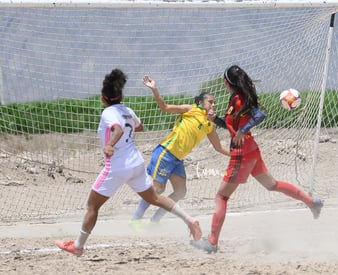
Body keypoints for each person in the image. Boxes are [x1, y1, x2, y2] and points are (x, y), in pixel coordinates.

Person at [55, 69, 202, 256]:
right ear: (121, 95)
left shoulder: (108, 113)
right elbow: (139, 127)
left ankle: (78, 246)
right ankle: (189, 219)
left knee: (92, 206)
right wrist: (128, 127)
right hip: (136, 163)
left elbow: (117, 130)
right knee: (155, 198)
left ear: (103, 98)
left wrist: (109, 144)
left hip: (117, 166)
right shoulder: (128, 110)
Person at [190, 65, 324, 253]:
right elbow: (234, 126)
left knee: (221, 196)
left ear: (227, 82)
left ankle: (212, 242)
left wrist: (243, 131)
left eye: (223, 80)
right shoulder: (239, 98)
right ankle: (312, 202)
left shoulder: (237, 98)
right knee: (272, 185)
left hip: (241, 153)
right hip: (251, 149)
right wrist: (217, 120)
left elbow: (260, 115)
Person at [131, 75, 229, 224]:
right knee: (157, 190)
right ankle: (136, 219)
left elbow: (218, 147)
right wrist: (155, 89)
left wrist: (237, 155)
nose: (213, 105)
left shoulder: (209, 125)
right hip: (166, 152)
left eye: (214, 102)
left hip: (177, 160)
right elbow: (165, 107)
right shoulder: (191, 109)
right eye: (210, 101)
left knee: (180, 192)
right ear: (200, 102)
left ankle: (154, 221)